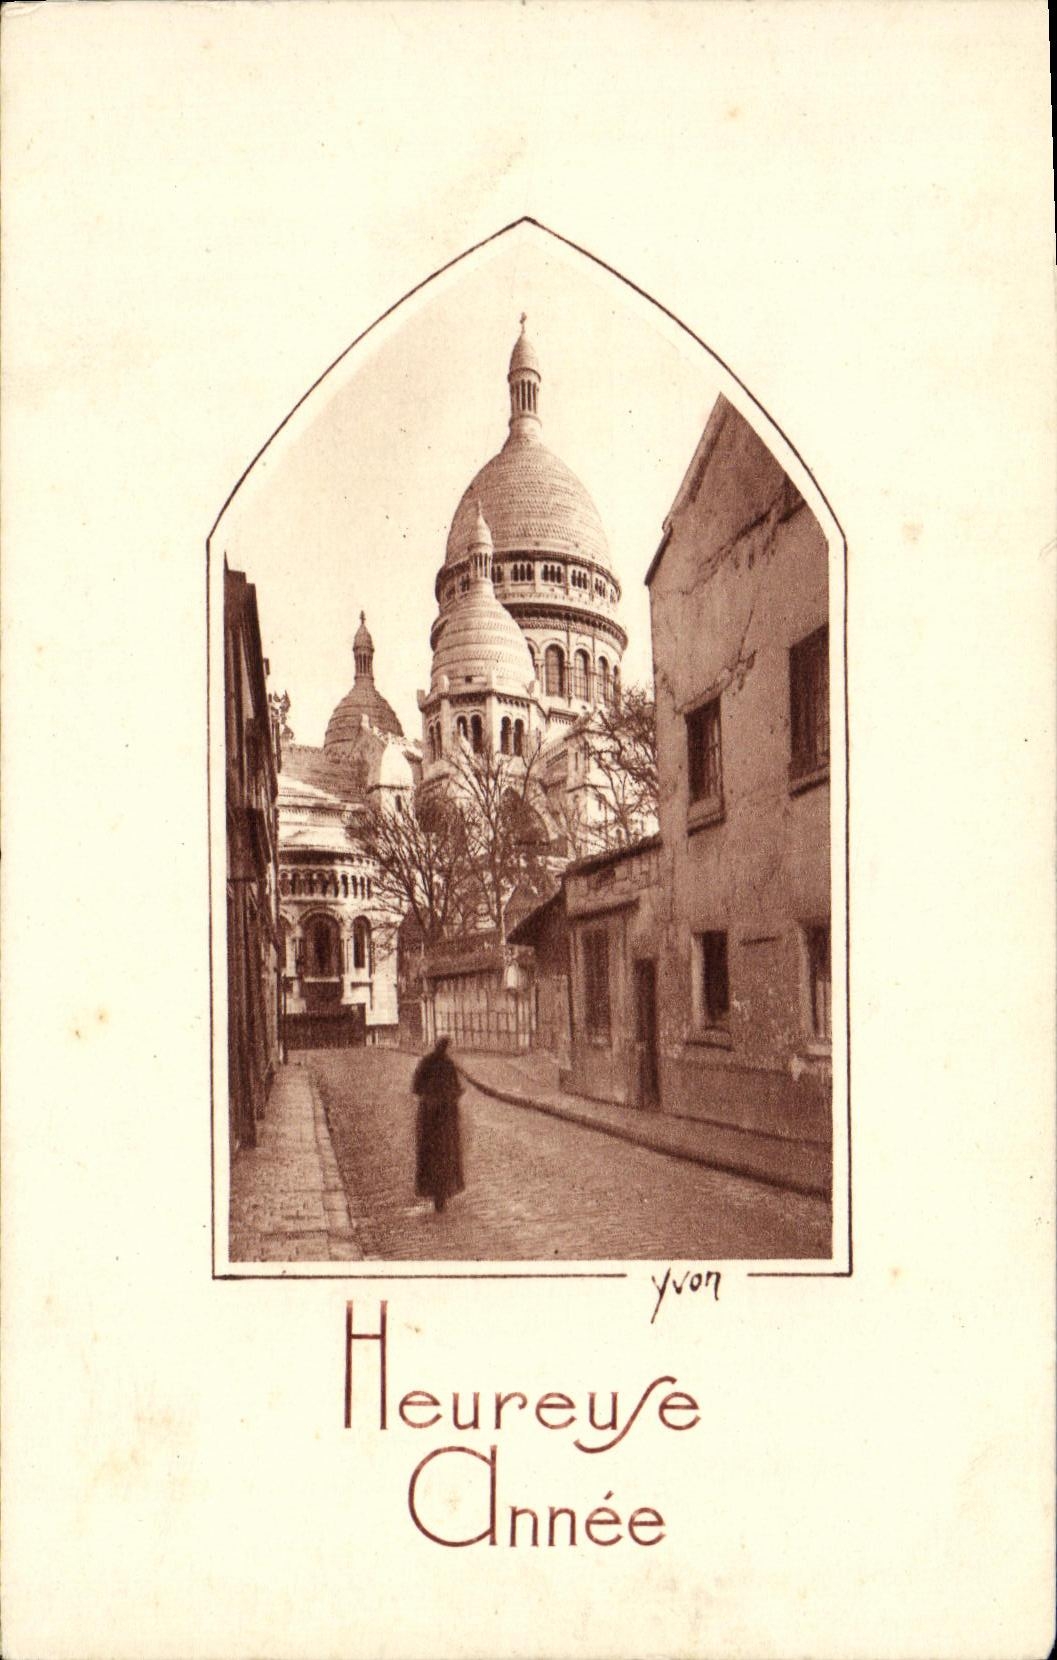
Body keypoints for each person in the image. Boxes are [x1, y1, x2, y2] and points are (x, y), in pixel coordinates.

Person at [411, 1036, 465, 1214]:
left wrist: (429, 1096)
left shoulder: (426, 1062)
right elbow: (456, 1089)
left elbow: (416, 1087)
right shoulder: (448, 1065)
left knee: (429, 1153)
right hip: (444, 1120)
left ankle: (434, 1191)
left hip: (428, 1118)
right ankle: (441, 1192)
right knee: (445, 1154)